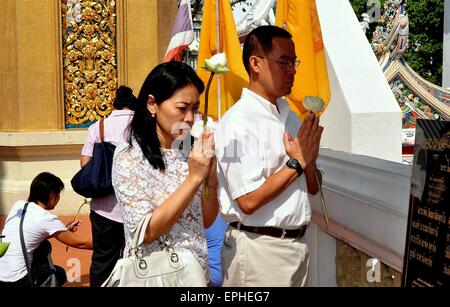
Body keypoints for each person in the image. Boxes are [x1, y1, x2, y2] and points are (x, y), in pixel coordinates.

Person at [215, 25, 324, 287]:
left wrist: (307, 161)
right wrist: (296, 164)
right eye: (284, 61)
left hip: (296, 245)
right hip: (259, 251)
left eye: (293, 62)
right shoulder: (236, 123)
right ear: (255, 63)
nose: (293, 70)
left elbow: (313, 187)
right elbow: (249, 201)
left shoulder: (290, 117)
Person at [112, 61, 219, 284]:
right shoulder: (129, 156)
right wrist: (194, 177)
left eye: (195, 108)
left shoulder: (191, 151)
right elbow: (147, 231)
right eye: (182, 108)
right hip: (155, 275)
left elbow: (206, 221)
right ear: (152, 104)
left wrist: (211, 180)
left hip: (195, 274)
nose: (190, 117)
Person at [79, 85, 136, 287]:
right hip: (136, 206)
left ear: (115, 104)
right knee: (137, 258)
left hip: (104, 207)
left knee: (103, 258)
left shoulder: (98, 127)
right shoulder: (142, 126)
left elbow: (85, 161)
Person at [0, 172, 92, 287]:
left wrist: (64, 229)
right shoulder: (46, 218)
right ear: (51, 194)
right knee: (59, 274)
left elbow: (31, 232)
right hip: (18, 280)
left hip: (2, 275)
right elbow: (80, 243)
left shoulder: (18, 206)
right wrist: (109, 245)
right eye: (58, 194)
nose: (58, 198)